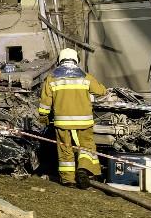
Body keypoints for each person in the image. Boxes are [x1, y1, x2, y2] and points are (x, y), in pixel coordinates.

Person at [37, 48, 107, 189]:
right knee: (87, 147)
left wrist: (43, 117)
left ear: (60, 60)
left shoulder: (51, 78)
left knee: (65, 149)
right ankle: (83, 168)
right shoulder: (85, 76)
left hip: (62, 122)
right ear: (76, 60)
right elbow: (101, 91)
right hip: (84, 121)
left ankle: (68, 180)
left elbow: (45, 102)